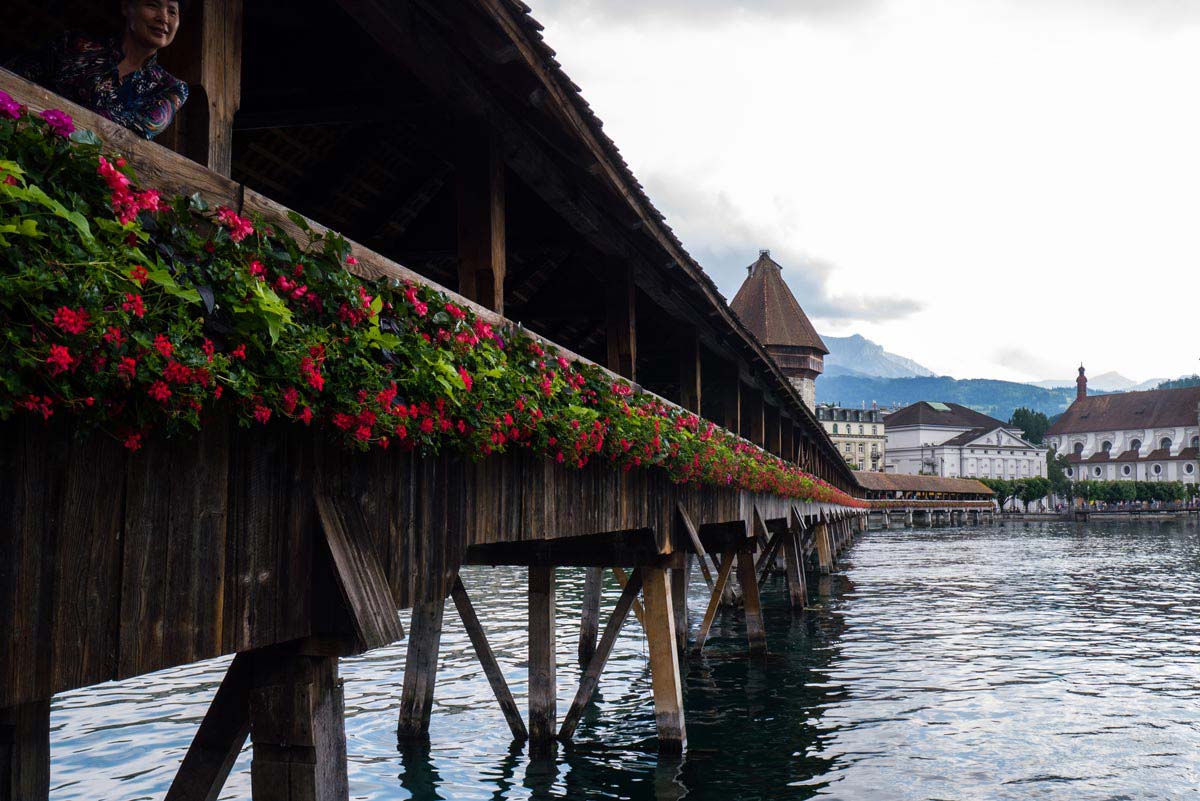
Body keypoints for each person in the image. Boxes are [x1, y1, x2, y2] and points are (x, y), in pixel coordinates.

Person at [10, 0, 188, 139]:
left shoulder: (170, 87)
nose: (163, 18)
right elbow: (16, 77)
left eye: (172, 12)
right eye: (152, 5)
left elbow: (142, 127)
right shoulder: (74, 46)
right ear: (127, 7)